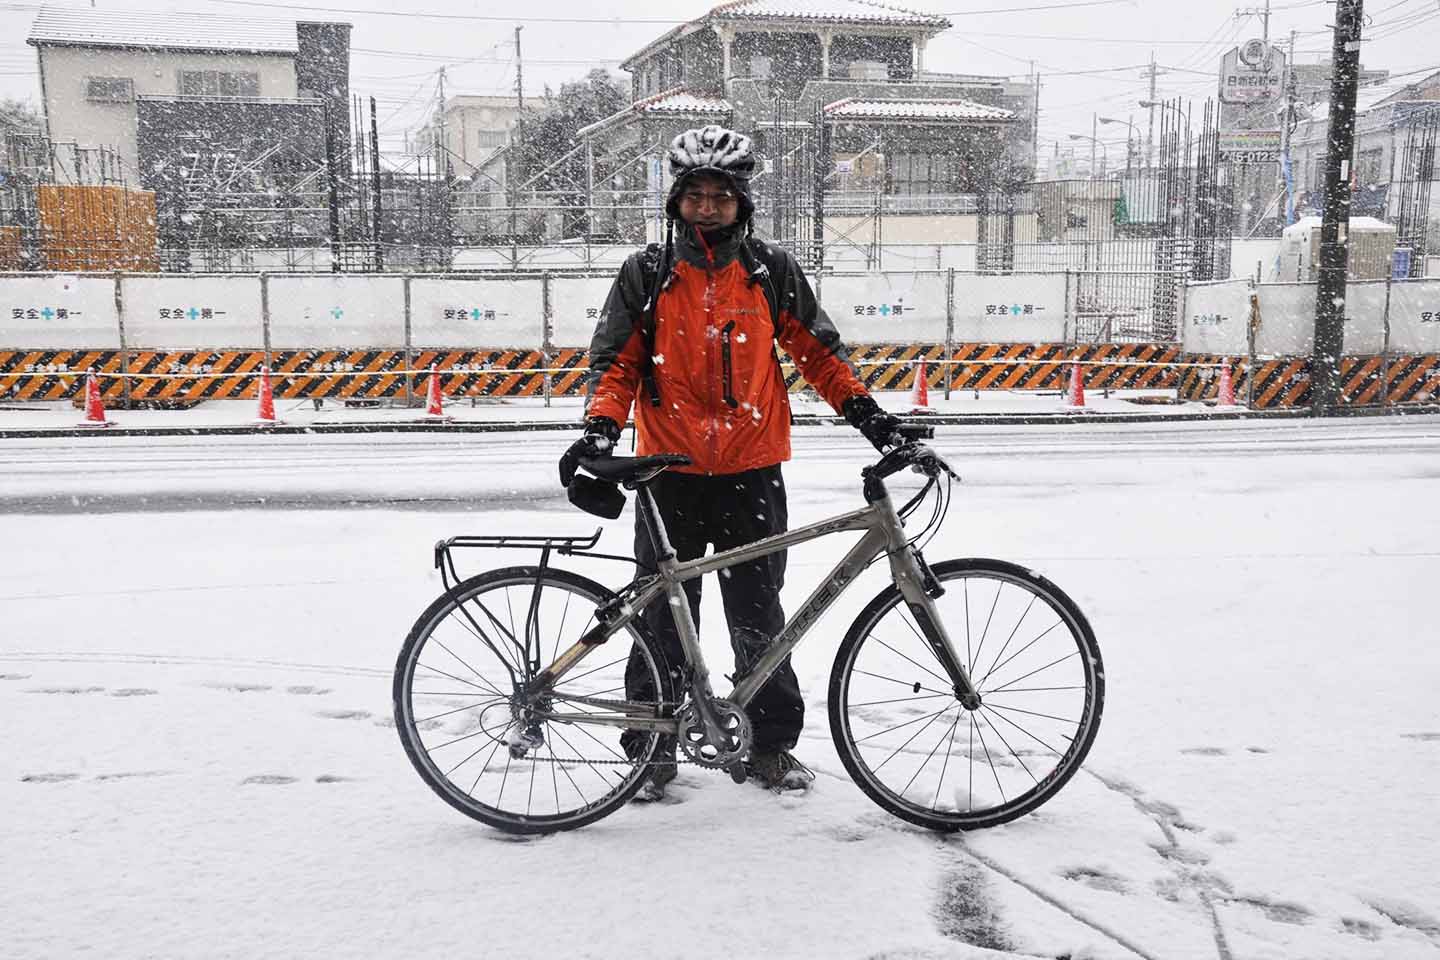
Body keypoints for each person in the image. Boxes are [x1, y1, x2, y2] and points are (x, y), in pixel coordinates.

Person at [558, 125, 903, 799]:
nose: (708, 208)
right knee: (660, 616)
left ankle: (769, 745)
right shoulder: (648, 273)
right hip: (668, 473)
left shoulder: (769, 271)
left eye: (722, 195)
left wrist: (873, 420)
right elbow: (619, 365)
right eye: (695, 195)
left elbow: (820, 358)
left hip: (752, 470)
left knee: (759, 615)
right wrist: (601, 430)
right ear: (676, 202)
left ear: (743, 203)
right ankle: (650, 746)